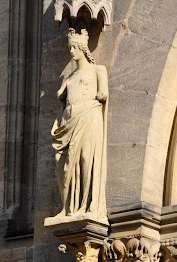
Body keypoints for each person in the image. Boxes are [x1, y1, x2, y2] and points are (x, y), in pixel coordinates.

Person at [51, 28, 108, 219]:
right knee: (63, 164)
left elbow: (104, 92)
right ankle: (68, 208)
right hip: (69, 122)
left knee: (86, 159)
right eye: (70, 48)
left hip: (89, 116)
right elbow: (61, 96)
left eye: (74, 48)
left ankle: (86, 205)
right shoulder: (69, 78)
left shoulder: (98, 70)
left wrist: (98, 96)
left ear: (82, 48)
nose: (71, 52)